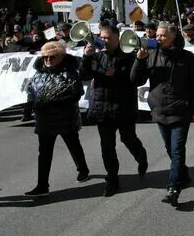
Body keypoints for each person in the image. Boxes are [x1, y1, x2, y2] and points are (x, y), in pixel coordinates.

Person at [131, 22, 194, 205]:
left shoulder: (188, 58)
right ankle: (184, 174)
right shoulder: (151, 55)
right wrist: (139, 61)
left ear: (174, 37)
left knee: (177, 150)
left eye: (163, 35)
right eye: (157, 35)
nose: (158, 38)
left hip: (181, 111)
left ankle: (173, 187)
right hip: (159, 110)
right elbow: (135, 80)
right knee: (170, 149)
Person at [81, 25, 148, 197]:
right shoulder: (97, 55)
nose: (104, 41)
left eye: (108, 38)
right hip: (103, 109)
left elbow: (137, 79)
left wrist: (117, 73)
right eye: (102, 37)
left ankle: (141, 156)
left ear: (118, 38)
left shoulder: (129, 55)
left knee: (128, 139)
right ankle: (112, 180)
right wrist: (87, 57)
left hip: (123, 107)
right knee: (107, 147)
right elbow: (84, 76)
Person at [24, 42, 89, 197]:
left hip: (65, 117)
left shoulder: (70, 72)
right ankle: (42, 185)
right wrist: (29, 105)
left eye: (52, 57)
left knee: (73, 144)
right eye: (45, 57)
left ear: (60, 56)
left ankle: (83, 169)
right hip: (44, 118)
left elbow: (76, 93)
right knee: (44, 152)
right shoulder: (38, 73)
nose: (48, 60)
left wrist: (56, 101)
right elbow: (32, 90)